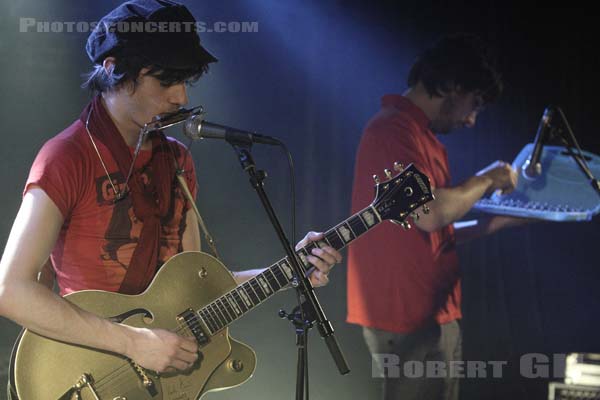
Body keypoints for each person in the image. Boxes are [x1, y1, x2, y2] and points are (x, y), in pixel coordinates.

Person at [0, 1, 341, 397]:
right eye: (165, 80)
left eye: (185, 80)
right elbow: (10, 290)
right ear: (113, 70)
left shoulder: (177, 160)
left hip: (161, 380)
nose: (180, 96)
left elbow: (192, 292)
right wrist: (133, 342)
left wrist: (290, 271)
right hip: (90, 373)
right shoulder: (66, 156)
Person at [346, 33, 525, 400]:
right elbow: (429, 213)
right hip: (407, 315)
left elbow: (436, 231)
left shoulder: (422, 137)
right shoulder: (392, 129)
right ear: (452, 87)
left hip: (434, 311)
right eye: (473, 104)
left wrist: (519, 217)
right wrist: (488, 179)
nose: (472, 119)